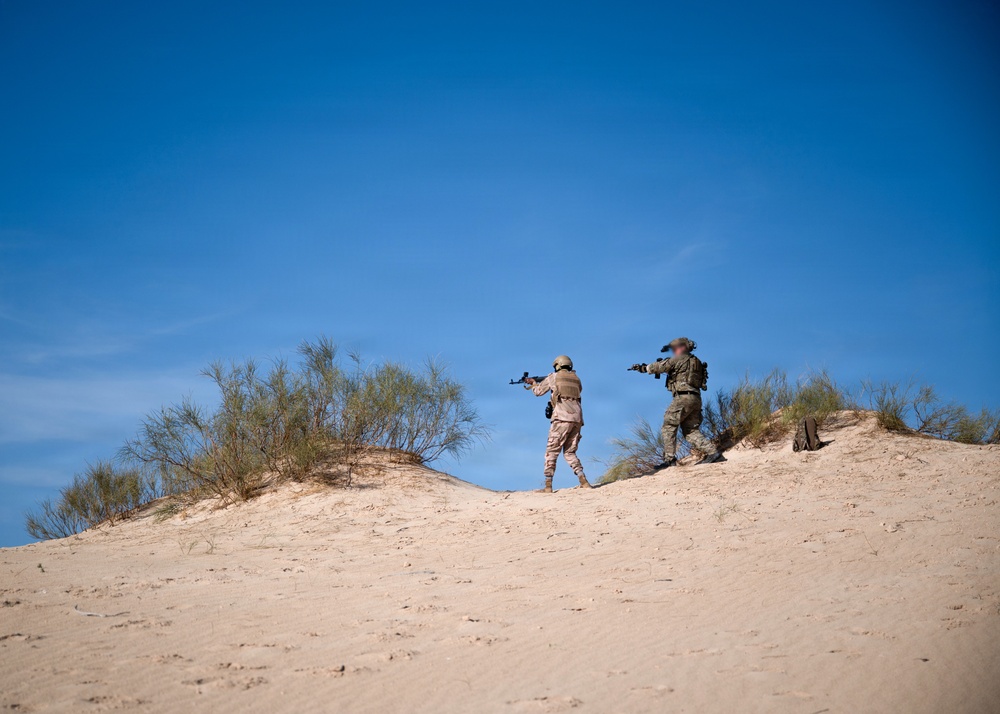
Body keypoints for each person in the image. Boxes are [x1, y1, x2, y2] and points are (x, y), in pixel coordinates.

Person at [633, 337, 723, 470]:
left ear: (683, 347)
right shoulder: (696, 361)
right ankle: (713, 452)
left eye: (675, 348)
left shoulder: (679, 359)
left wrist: (643, 368)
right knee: (690, 431)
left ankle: (670, 460)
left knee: (669, 425)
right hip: (695, 398)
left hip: (682, 398)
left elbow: (658, 367)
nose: (674, 351)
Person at [525, 355, 592, 492]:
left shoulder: (553, 377)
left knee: (552, 451)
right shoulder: (576, 379)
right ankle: (583, 481)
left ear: (557, 365)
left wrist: (533, 383)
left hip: (561, 418)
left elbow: (538, 392)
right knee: (570, 452)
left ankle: (548, 486)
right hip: (577, 419)